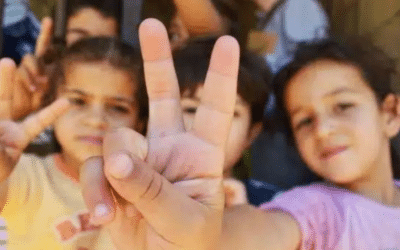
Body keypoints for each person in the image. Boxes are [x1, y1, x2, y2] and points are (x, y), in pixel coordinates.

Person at [81, 19, 400, 249]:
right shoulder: (314, 210)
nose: (324, 129)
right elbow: (256, 231)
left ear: (391, 113)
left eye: (343, 106)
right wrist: (196, 237)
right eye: (304, 121)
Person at [0, 37, 147, 249]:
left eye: (118, 108)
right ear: (51, 107)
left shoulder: (145, 191)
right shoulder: (30, 178)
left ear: (140, 123)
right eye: (78, 102)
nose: (96, 120)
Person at [172, 37, 275, 205]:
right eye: (191, 109)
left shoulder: (275, 208)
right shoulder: (131, 201)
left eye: (230, 113)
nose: (210, 126)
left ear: (251, 134)